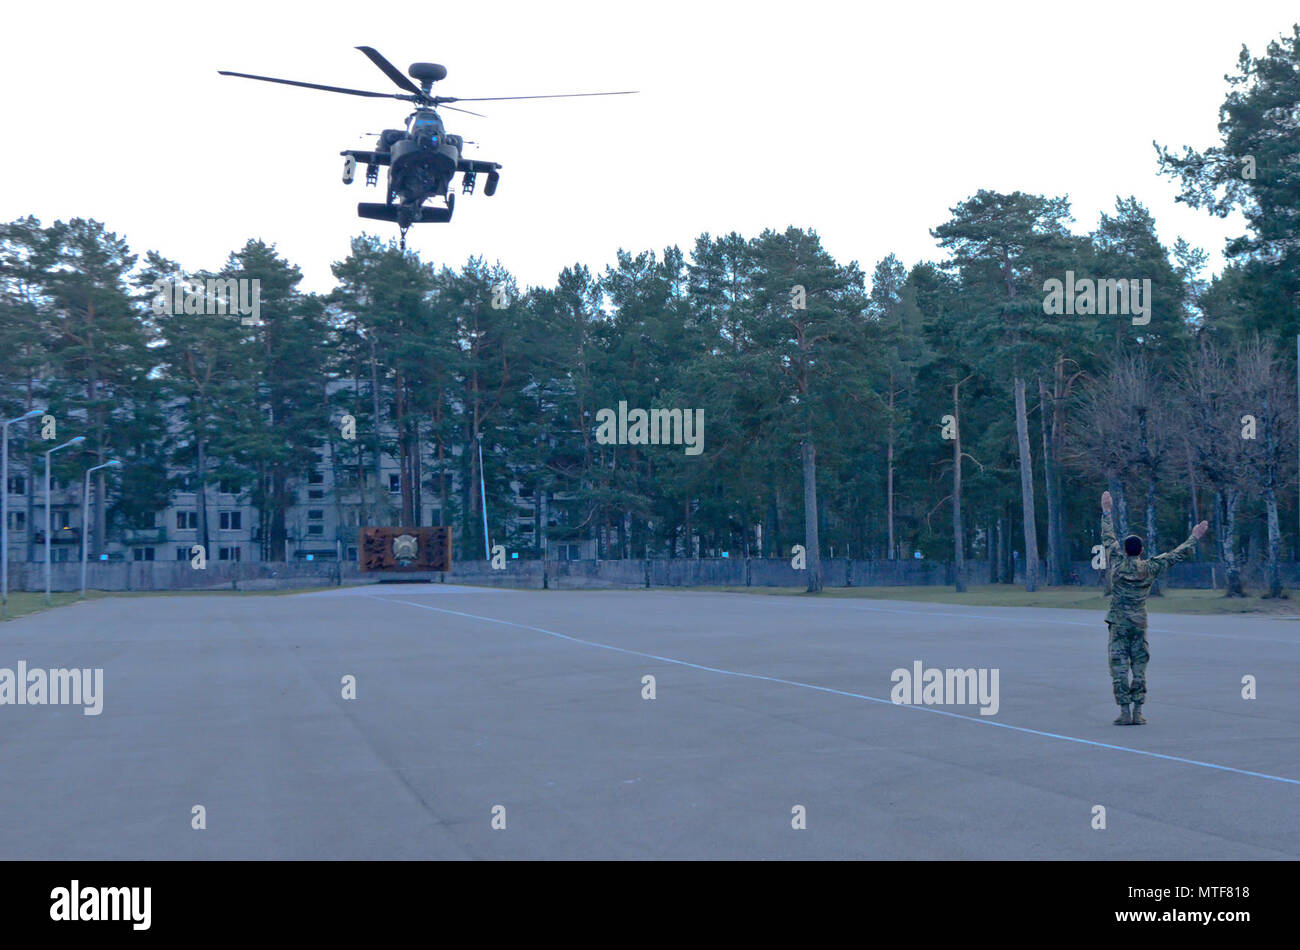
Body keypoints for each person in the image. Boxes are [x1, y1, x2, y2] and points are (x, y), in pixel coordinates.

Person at [1100, 491, 1208, 725]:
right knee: (1139, 667)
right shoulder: (1150, 568)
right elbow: (1175, 555)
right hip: (1139, 623)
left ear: (1125, 550)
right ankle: (1138, 712)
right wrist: (1194, 537)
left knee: (1118, 667)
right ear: (1140, 551)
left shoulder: (1117, 564)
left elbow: (1108, 538)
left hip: (1118, 624)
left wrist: (1107, 512)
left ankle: (1125, 712)